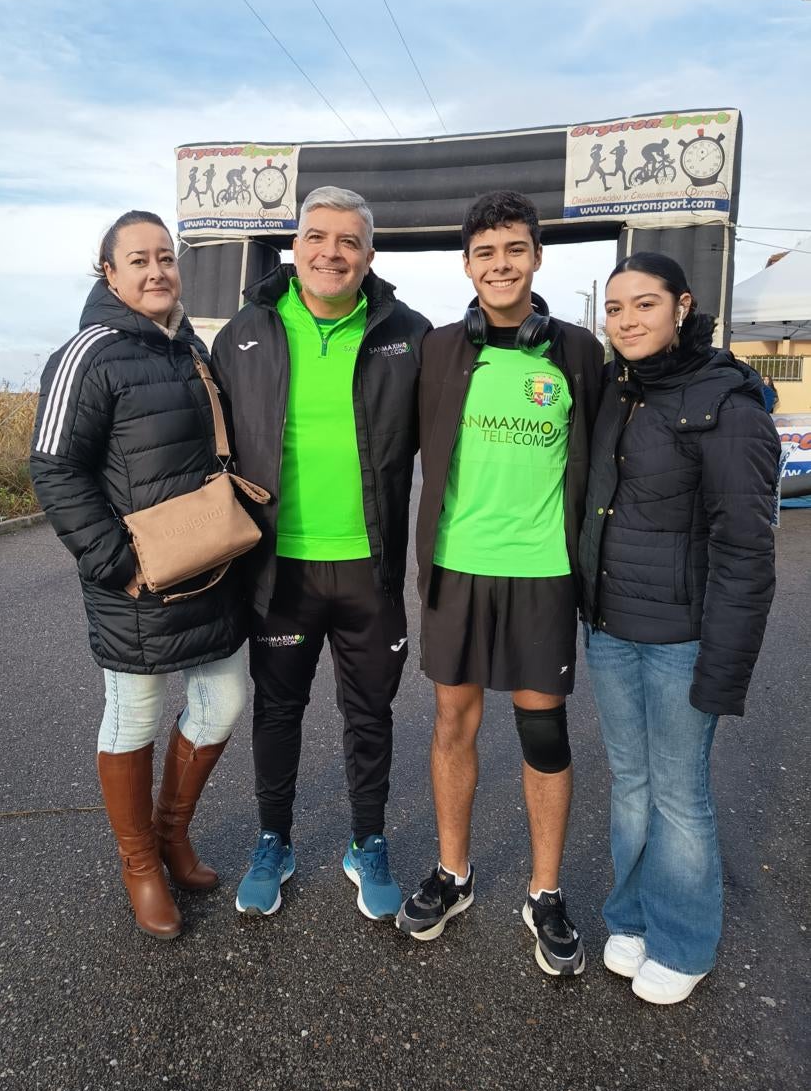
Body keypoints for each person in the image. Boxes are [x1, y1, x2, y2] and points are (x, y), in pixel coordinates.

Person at [397, 191, 603, 977]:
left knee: (541, 733)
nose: (500, 265)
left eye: (513, 249)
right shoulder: (439, 349)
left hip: (542, 574)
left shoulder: (577, 352)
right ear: (466, 266)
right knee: (453, 720)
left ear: (537, 257)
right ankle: (453, 873)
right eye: (484, 253)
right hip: (457, 567)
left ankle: (543, 891)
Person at [211, 186, 431, 920]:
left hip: (368, 569)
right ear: (293, 245)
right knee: (278, 709)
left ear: (368, 255)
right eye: (315, 236)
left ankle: (366, 840)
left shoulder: (409, 333)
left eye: (347, 240)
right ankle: (274, 837)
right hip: (281, 569)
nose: (329, 251)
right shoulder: (245, 331)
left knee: (369, 712)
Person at [30, 211, 248, 940]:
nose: (156, 270)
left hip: (207, 569)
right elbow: (54, 467)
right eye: (138, 260)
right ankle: (139, 864)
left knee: (222, 701)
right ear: (108, 272)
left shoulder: (190, 347)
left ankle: (171, 833)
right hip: (134, 581)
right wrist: (113, 562)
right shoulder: (87, 353)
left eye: (166, 257)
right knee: (135, 717)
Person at [579, 251, 779, 1004]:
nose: (627, 320)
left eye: (644, 305)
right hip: (608, 628)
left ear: (682, 306)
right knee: (629, 784)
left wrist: (723, 667)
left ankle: (684, 938)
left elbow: (744, 550)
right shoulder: (618, 390)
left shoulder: (726, 403)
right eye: (616, 307)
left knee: (677, 793)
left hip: (679, 643)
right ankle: (628, 916)